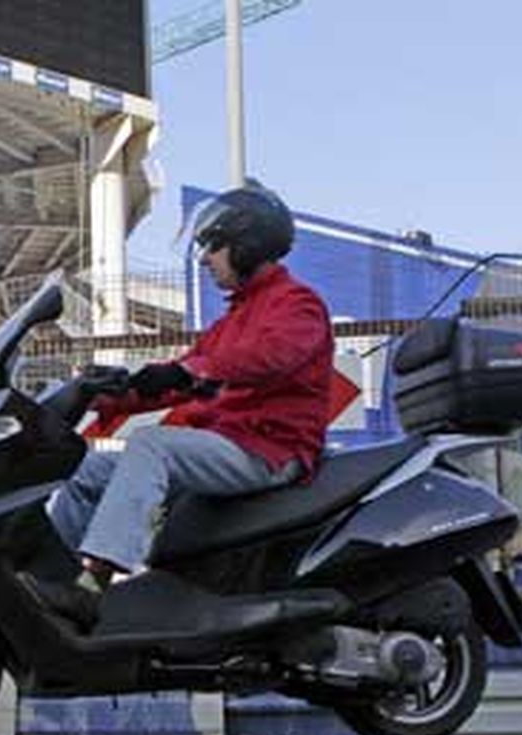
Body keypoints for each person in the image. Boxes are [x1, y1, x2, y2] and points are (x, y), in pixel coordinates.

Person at [41, 181, 336, 619]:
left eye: (213, 247)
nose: (204, 259)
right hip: (231, 445)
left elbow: (267, 357)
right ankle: (52, 582)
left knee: (151, 445)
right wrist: (101, 395)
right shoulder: (235, 316)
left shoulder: (297, 305)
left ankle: (93, 583)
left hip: (270, 451)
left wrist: (192, 371)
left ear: (248, 245)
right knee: (86, 468)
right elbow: (185, 373)